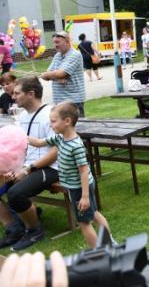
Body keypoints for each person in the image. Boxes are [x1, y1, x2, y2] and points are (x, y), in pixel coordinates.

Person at [27, 102, 113, 248]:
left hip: (80, 188)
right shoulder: (59, 138)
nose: (50, 125)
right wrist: (20, 136)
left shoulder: (75, 146)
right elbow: (39, 142)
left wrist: (84, 197)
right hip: (78, 186)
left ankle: (99, 253)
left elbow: (83, 171)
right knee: (94, 213)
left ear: (67, 121)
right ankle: (109, 244)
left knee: (84, 223)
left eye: (53, 121)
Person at [0, 76, 58, 251]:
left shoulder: (51, 114)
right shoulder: (23, 115)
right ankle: (14, 228)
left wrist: (27, 169)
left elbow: (56, 151)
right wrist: (12, 169)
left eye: (17, 93)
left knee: (16, 193)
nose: (13, 97)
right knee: (5, 185)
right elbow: (21, 147)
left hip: (51, 167)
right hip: (27, 166)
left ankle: (34, 230)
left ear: (31, 94)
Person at [40, 32, 86, 115]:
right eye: (54, 42)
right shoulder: (57, 56)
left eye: (57, 42)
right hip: (59, 101)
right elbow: (46, 75)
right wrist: (56, 77)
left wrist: (52, 75)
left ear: (67, 42)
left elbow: (60, 73)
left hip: (73, 101)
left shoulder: (75, 55)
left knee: (77, 123)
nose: (55, 45)